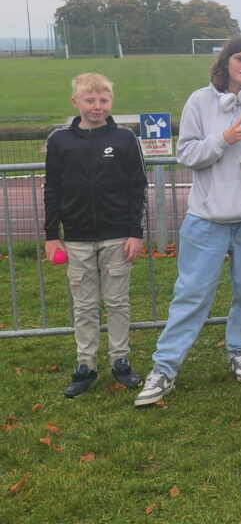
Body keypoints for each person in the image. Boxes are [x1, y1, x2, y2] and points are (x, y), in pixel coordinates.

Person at [135, 36, 241, 406]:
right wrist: (223, 139)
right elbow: (186, 154)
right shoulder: (200, 100)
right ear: (226, 62)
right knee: (191, 295)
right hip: (207, 217)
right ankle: (164, 368)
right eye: (240, 59)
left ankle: (240, 350)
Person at [44, 73, 147, 398]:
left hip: (117, 236)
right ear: (76, 102)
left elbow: (137, 188)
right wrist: (51, 235)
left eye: (103, 100)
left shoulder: (124, 140)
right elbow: (53, 189)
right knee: (85, 305)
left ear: (111, 102)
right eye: (90, 100)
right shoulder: (59, 141)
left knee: (117, 301)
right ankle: (85, 364)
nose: (97, 106)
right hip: (75, 238)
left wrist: (135, 232)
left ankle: (120, 359)